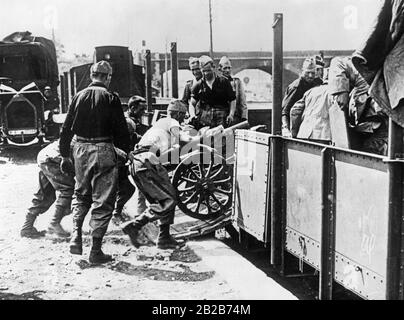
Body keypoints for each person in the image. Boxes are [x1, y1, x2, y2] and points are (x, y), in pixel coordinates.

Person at [59, 60, 131, 264]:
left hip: (80, 149)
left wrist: (65, 155)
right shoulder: (111, 98)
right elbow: (121, 130)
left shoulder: (78, 96)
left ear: (92, 75)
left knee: (81, 194)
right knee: (103, 200)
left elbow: (65, 129)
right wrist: (126, 152)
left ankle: (75, 235)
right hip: (103, 149)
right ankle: (96, 250)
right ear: (108, 77)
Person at [121, 99, 203, 250]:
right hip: (147, 161)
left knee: (166, 194)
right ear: (178, 114)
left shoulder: (158, 125)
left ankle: (164, 238)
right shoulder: (172, 122)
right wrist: (201, 138)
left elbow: (168, 155)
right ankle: (135, 225)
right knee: (169, 199)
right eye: (183, 116)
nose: (183, 120)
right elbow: (182, 140)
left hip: (137, 163)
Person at [328, 56, 388, 155]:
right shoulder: (366, 67)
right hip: (367, 124)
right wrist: (341, 90)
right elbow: (338, 62)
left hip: (388, 128)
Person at [20, 140, 74, 239]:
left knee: (44, 194)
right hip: (54, 159)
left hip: (46, 155)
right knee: (68, 189)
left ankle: (27, 227)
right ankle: (54, 224)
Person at [190, 55, 236, 129]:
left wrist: (231, 115)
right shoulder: (198, 85)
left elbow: (232, 100)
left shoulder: (224, 82)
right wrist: (192, 115)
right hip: (205, 122)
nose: (206, 73)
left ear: (213, 67)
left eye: (208, 70)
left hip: (222, 121)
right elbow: (192, 103)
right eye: (203, 71)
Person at [281, 57, 323, 137]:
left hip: (308, 121)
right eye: (307, 72)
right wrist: (285, 128)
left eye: (313, 73)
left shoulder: (316, 82)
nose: (310, 76)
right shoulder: (296, 87)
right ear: (302, 71)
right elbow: (284, 111)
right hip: (294, 124)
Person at [290, 69, 332, 141]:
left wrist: (294, 133)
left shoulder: (310, 91)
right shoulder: (335, 93)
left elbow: (295, 111)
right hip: (323, 136)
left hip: (304, 133)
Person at [218, 56, 248, 124]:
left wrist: (244, 118)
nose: (227, 70)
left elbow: (243, 101)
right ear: (220, 69)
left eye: (229, 68)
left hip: (235, 118)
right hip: (221, 119)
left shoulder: (237, 82)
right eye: (225, 68)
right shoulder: (217, 83)